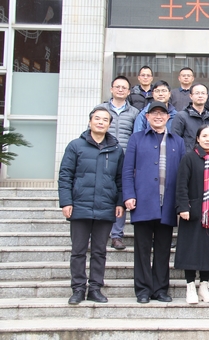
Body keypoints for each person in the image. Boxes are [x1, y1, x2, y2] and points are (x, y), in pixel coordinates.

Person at [58, 106, 124, 305]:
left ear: (109, 124)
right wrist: (66, 201)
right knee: (78, 251)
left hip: (105, 206)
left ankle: (95, 288)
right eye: (97, 118)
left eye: (105, 120)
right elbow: (65, 175)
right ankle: (78, 289)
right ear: (90, 121)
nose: (101, 122)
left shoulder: (116, 149)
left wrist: (119, 202)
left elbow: (120, 179)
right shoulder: (75, 146)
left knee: (99, 251)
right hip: (80, 205)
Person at [122, 101, 186, 304]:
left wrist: (181, 203)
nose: (158, 117)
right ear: (147, 117)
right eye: (154, 113)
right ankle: (142, 289)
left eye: (162, 113)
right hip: (143, 201)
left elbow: (183, 175)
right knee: (142, 249)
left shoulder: (178, 141)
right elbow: (127, 169)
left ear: (168, 117)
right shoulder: (136, 139)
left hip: (167, 204)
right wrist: (128, 195)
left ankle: (160, 289)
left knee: (163, 249)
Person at [175, 125, 209, 304]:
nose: (208, 139)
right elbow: (181, 184)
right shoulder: (189, 158)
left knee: (208, 249)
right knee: (191, 249)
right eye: (204, 136)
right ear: (197, 138)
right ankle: (190, 287)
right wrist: (183, 207)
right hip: (193, 212)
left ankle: (204, 285)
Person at [96, 76, 139, 251]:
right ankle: (96, 233)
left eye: (124, 88)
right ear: (111, 89)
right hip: (103, 157)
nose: (120, 90)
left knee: (121, 195)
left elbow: (136, 136)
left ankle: (116, 235)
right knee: (101, 194)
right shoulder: (101, 110)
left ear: (129, 92)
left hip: (125, 159)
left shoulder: (134, 112)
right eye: (117, 87)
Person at [171, 83, 209, 153]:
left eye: (203, 93)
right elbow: (175, 140)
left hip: (208, 156)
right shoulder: (181, 116)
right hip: (188, 156)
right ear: (191, 96)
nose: (200, 96)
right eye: (197, 93)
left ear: (207, 96)